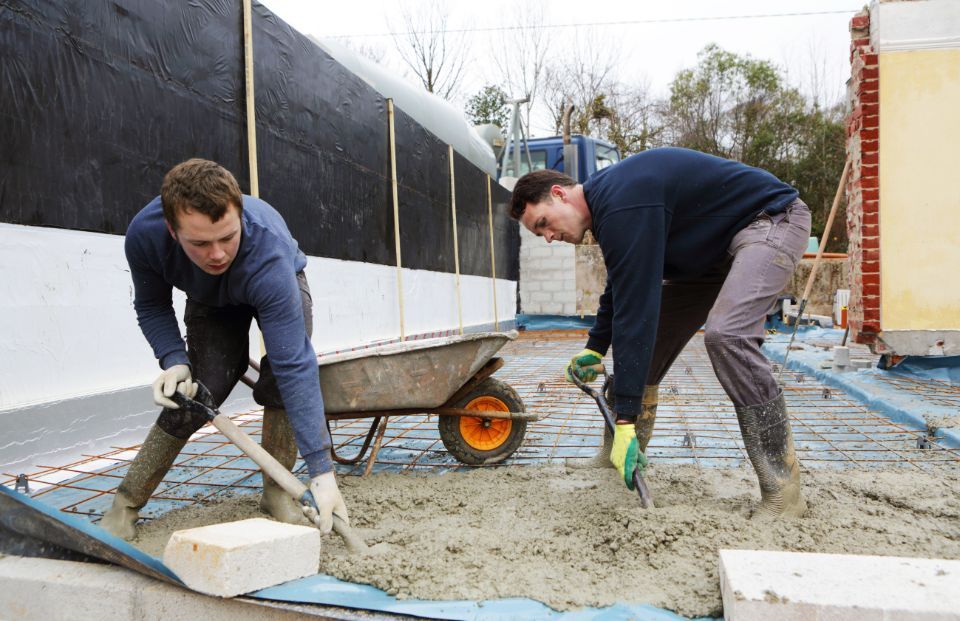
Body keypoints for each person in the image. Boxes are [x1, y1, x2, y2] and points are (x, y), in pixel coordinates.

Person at [509, 147, 811, 518]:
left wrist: (625, 419)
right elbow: (621, 286)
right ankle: (612, 454)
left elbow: (638, 310)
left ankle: (784, 494)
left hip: (771, 221)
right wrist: (596, 347)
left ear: (559, 194)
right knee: (643, 354)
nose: (548, 237)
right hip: (708, 258)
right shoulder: (610, 210)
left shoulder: (621, 202)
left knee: (728, 337)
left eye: (542, 224)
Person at [100, 158, 349, 538]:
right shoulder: (145, 236)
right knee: (195, 393)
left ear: (240, 219)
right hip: (209, 300)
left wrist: (322, 470)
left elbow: (294, 365)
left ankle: (277, 495)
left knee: (280, 381)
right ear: (172, 229)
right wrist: (174, 360)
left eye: (227, 237)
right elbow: (151, 304)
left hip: (272, 282)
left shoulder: (268, 251)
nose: (217, 254)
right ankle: (125, 505)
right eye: (199, 243)